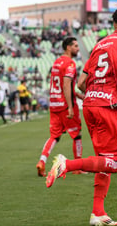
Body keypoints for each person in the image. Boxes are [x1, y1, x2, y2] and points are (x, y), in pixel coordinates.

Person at [45, 8, 117, 226]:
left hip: (89, 105)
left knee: (103, 161)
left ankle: (97, 213)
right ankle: (66, 164)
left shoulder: (99, 44)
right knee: (114, 163)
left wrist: (96, 93)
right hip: (107, 107)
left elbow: (80, 83)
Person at [36, 37, 85, 177]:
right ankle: (77, 166)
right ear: (68, 47)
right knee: (77, 135)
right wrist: (70, 106)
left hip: (54, 104)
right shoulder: (70, 63)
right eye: (75, 46)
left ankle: (42, 162)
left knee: (54, 136)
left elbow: (64, 86)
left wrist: (78, 95)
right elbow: (66, 84)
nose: (77, 48)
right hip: (65, 105)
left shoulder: (57, 62)